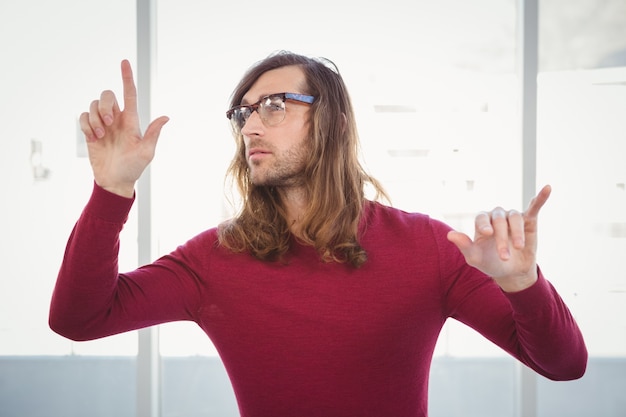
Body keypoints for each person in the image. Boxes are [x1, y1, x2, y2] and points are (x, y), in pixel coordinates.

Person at [49, 51, 587, 417]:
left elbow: (564, 365)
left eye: (274, 107)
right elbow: (78, 319)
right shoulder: (215, 259)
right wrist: (112, 189)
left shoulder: (429, 250)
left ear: (332, 122)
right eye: (243, 115)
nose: (251, 127)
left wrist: (523, 283)